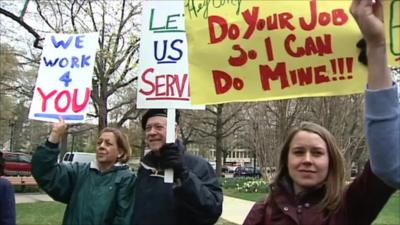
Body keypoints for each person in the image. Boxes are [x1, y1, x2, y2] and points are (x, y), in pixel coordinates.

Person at [243, 0, 399, 224]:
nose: (307, 160)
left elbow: (388, 159)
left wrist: (376, 46)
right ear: (286, 160)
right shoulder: (262, 212)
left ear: (331, 161)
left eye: (317, 153)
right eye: (298, 152)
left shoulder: (350, 204)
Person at [32, 119, 136, 225]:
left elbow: (124, 219)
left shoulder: (127, 179)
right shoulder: (80, 172)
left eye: (108, 144)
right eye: (99, 142)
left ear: (120, 152)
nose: (101, 146)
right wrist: (54, 136)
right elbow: (45, 172)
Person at [131, 109, 223, 225]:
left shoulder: (198, 165)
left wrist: (184, 176)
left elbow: (212, 211)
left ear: (176, 130)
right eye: (148, 128)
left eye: (158, 127)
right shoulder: (144, 168)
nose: (152, 132)